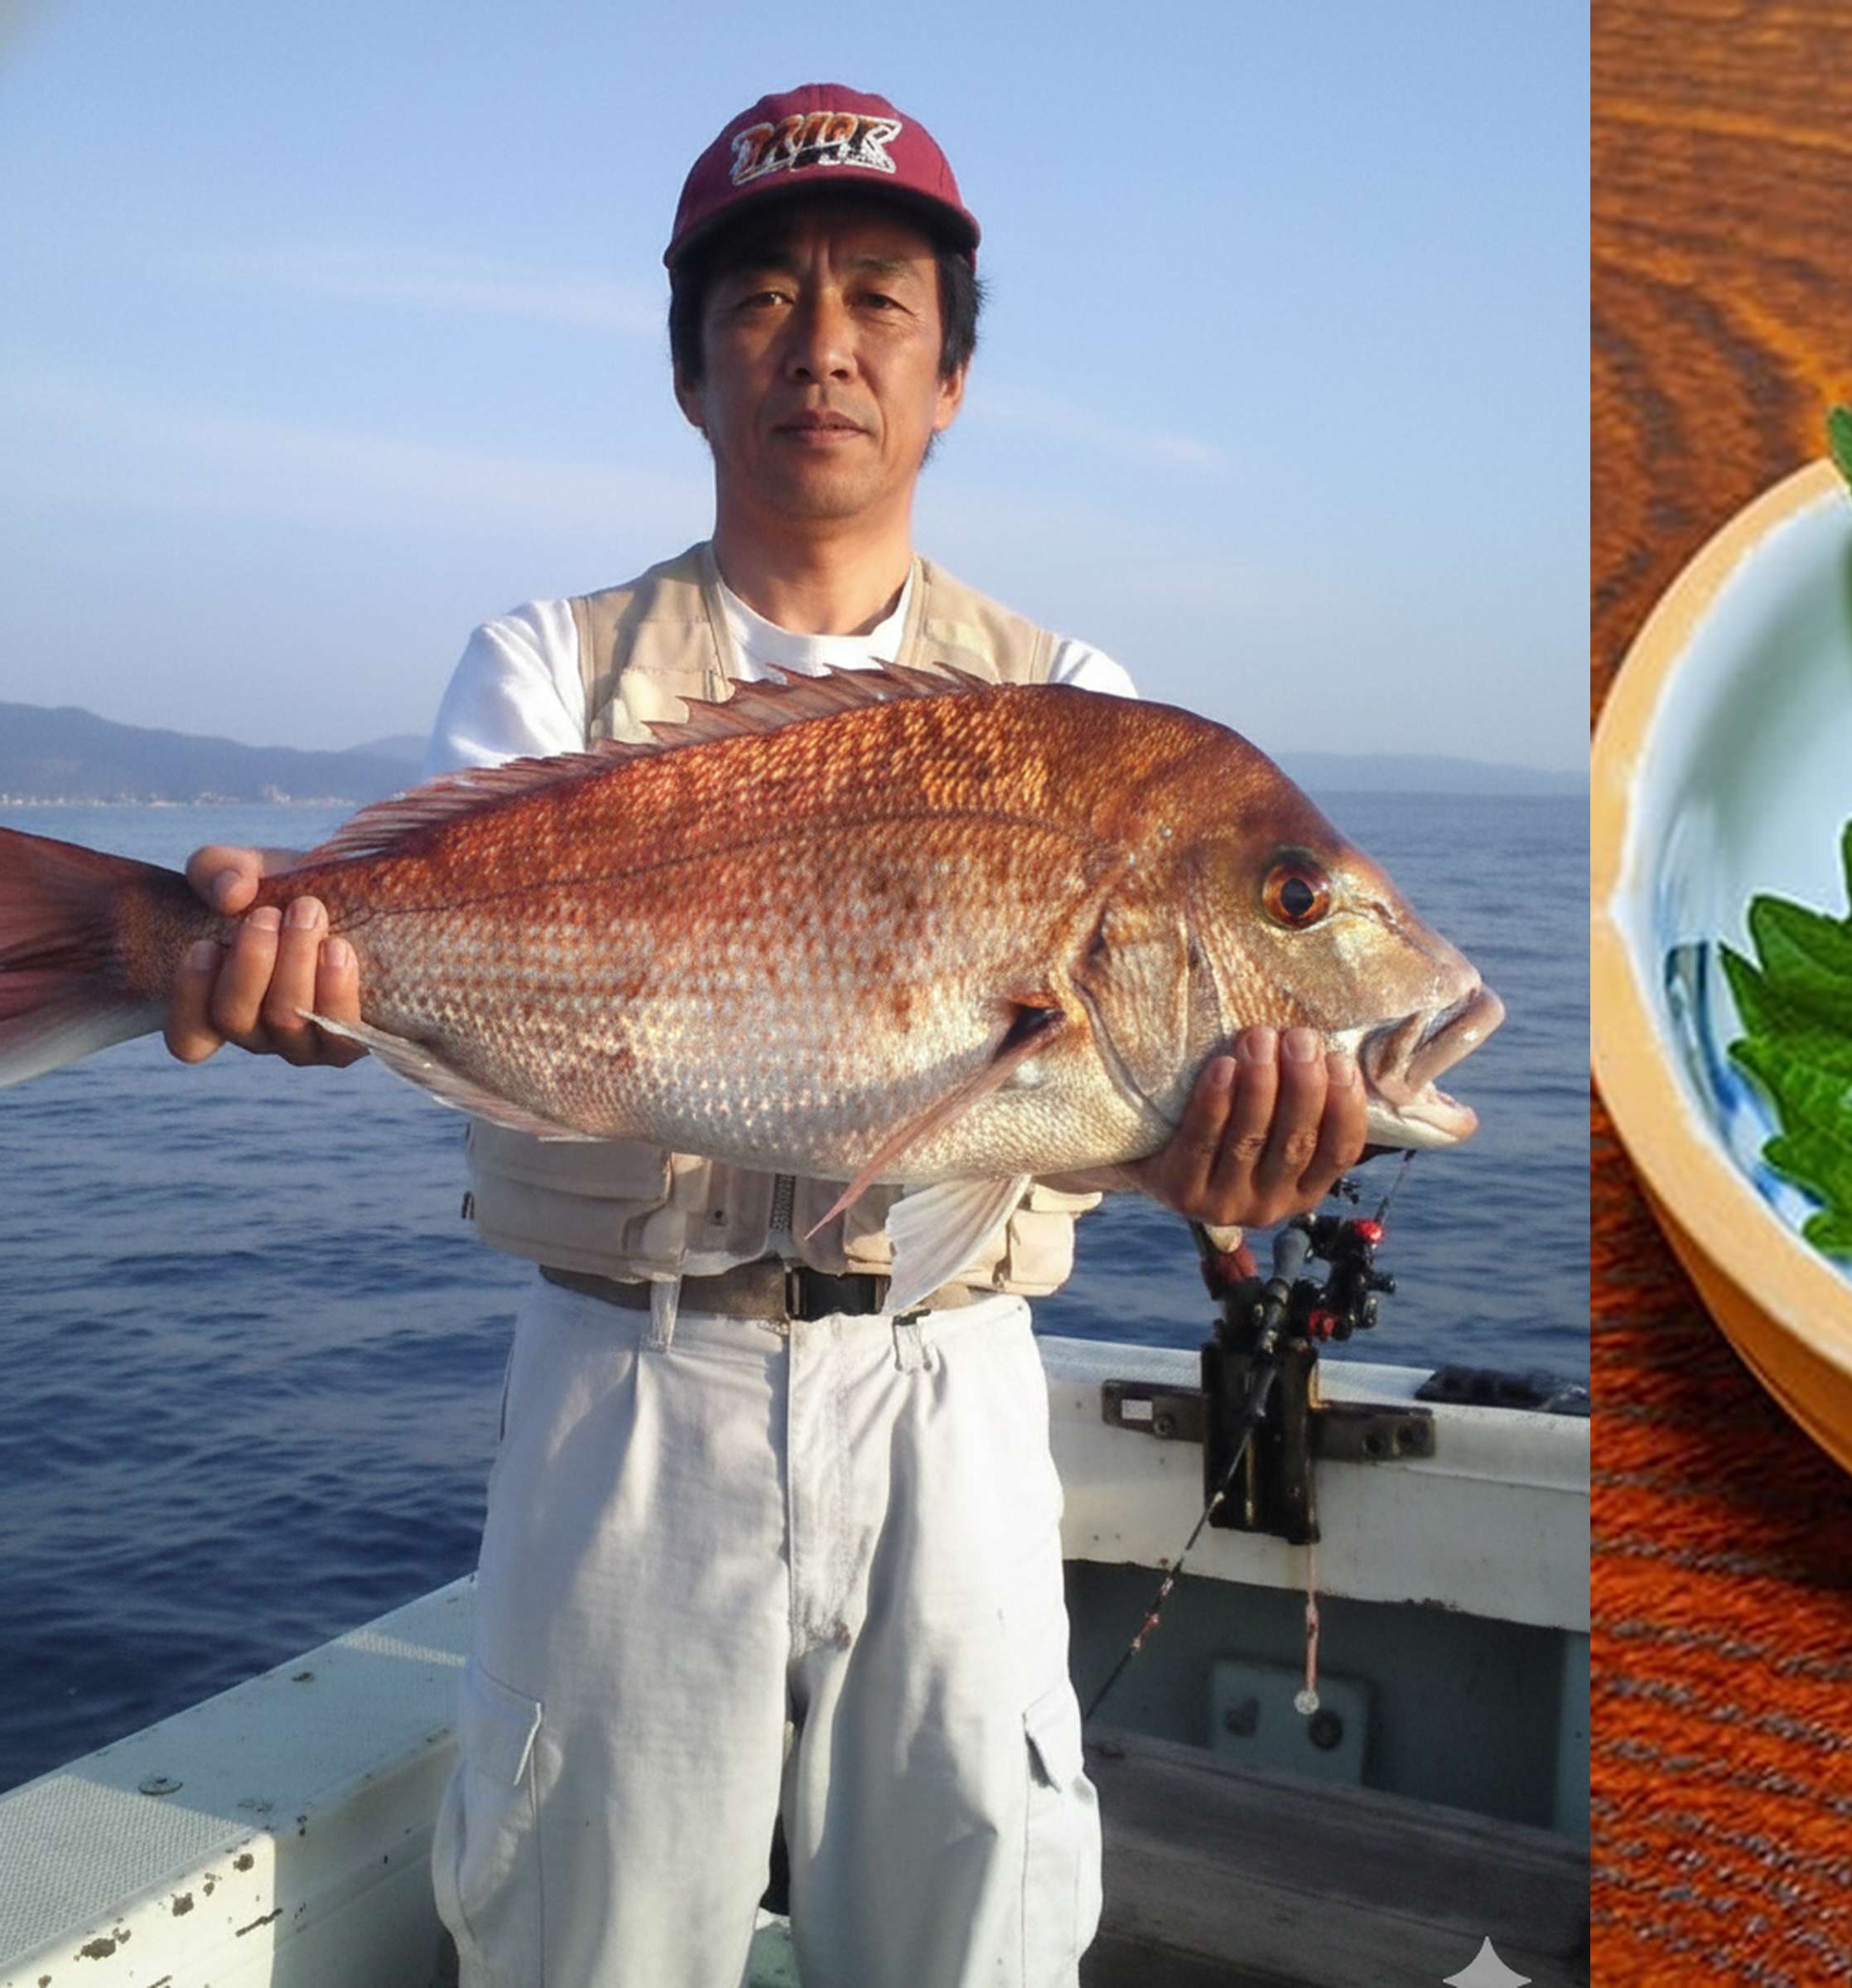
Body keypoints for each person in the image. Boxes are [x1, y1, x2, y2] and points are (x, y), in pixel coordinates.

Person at [160, 83, 1366, 1986]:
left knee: (974, 1937)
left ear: (951, 376)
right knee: (590, 1942)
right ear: (688, 368)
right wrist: (308, 977)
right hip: (628, 1391)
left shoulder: (1075, 705)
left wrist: (1211, 1164)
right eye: (762, 299)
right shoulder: (550, 666)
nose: (823, 344)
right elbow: (443, 971)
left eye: (881, 298)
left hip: (953, 1397)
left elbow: (1091, 1100)